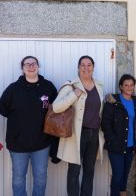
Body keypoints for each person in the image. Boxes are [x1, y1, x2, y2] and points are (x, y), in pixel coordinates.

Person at [0, 56, 57, 196]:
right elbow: (2, 108)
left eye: (34, 63)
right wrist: (19, 122)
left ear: (38, 66)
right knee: (18, 178)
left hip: (42, 142)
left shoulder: (48, 86)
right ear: (22, 68)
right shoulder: (13, 88)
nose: (31, 66)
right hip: (18, 142)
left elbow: (56, 108)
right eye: (27, 64)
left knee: (41, 178)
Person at [52, 55, 104, 196]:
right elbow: (56, 107)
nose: (86, 68)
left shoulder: (99, 86)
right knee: (74, 171)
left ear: (93, 67)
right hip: (77, 134)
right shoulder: (71, 85)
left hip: (94, 135)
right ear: (78, 67)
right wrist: (74, 94)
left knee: (89, 171)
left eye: (89, 65)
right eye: (82, 65)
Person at [101, 74, 136, 196]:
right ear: (121, 87)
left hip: (131, 145)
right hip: (116, 146)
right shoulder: (113, 101)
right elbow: (105, 123)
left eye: (131, 85)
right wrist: (112, 139)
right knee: (118, 175)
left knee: (125, 174)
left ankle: (123, 193)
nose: (129, 88)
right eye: (126, 85)